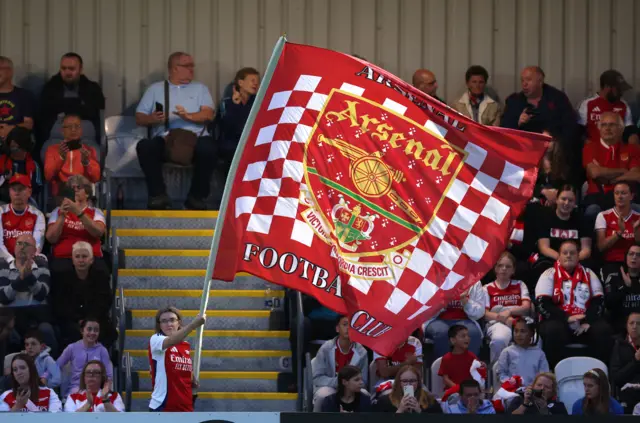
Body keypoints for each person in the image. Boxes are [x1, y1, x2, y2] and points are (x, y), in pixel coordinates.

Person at [135, 52, 215, 210]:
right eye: (187, 66)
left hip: (196, 138)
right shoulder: (155, 89)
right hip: (166, 138)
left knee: (209, 149)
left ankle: (196, 198)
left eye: (192, 66)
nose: (192, 69)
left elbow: (208, 114)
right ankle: (158, 195)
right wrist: (154, 118)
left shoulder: (200, 89)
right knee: (145, 147)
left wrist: (188, 116)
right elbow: (139, 117)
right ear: (174, 68)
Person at [535, 240, 611, 367]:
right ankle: (554, 373)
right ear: (559, 256)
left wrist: (588, 321)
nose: (568, 255)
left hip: (584, 320)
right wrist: (567, 318)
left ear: (578, 256)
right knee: (553, 331)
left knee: (603, 330)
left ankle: (599, 372)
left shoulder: (589, 273)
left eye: (572, 253)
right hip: (559, 320)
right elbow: (543, 304)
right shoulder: (549, 274)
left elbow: (599, 301)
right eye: (565, 253)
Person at [0, 233, 55, 356]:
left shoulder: (41, 265)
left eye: (26, 244)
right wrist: (20, 279)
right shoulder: (3, 266)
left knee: (46, 330)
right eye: (19, 243)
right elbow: (3, 297)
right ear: (14, 248)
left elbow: (42, 293)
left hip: (36, 317)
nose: (22, 247)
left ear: (35, 250)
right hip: (10, 318)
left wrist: (29, 277)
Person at [38, 52, 105, 153]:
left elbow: (95, 113)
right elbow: (44, 115)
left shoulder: (92, 89)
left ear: (80, 69)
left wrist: (63, 108)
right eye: (64, 68)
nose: (67, 72)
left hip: (86, 139)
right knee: (49, 155)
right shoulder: (50, 88)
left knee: (92, 155)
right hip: (57, 139)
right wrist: (79, 107)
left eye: (72, 69)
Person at [52, 241, 113, 348]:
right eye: (77, 256)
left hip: (96, 319)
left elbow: (104, 302)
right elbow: (60, 303)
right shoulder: (63, 277)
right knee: (69, 331)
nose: (81, 260)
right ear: (73, 259)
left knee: (107, 331)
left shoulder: (101, 276)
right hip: (71, 320)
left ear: (91, 260)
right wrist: (78, 319)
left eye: (84, 256)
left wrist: (88, 320)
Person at [583, 112, 640, 224]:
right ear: (599, 129)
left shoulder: (632, 149)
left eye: (612, 125)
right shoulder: (589, 148)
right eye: (604, 125)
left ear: (621, 129)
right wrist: (624, 171)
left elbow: (636, 175)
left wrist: (610, 180)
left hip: (626, 197)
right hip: (597, 197)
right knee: (592, 211)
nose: (607, 128)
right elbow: (595, 173)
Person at [46, 174, 106, 280]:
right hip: (63, 257)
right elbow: (51, 238)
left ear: (87, 193)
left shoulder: (96, 212)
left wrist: (78, 212)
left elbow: (98, 232)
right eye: (72, 188)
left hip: (90, 258)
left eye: (78, 187)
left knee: (100, 270)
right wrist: (62, 216)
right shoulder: (57, 211)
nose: (75, 190)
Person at [501, 66, 577, 148]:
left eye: (528, 80)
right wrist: (518, 123)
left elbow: (570, 127)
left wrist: (554, 140)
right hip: (523, 149)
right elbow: (504, 130)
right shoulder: (514, 101)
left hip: (553, 149)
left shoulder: (557, 98)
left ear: (540, 82)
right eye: (522, 80)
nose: (524, 84)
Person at [148, 306, 206, 412]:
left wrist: (191, 378)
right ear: (159, 325)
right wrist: (193, 325)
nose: (169, 324)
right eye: (164, 321)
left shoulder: (185, 345)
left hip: (185, 406)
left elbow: (180, 367)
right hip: (163, 406)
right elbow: (171, 341)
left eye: (172, 320)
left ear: (178, 323)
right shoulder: (156, 339)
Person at [483, 252, 532, 363]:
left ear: (513, 270)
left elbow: (526, 307)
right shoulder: (487, 288)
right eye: (500, 265)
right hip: (497, 323)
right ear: (495, 268)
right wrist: (504, 319)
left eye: (508, 266)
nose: (504, 269)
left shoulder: (520, 284)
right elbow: (485, 314)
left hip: (520, 321)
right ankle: (498, 373)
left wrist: (509, 311)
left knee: (534, 339)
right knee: (499, 339)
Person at [312, 315, 368, 410]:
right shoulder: (326, 348)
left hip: (352, 389)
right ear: (337, 328)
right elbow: (317, 378)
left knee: (365, 395)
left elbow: (364, 381)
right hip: (329, 386)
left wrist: (350, 385)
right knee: (322, 396)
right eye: (345, 324)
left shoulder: (362, 352)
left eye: (352, 326)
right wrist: (338, 383)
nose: (348, 328)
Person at [215, 67, 260, 179]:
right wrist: (235, 106)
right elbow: (228, 127)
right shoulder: (227, 102)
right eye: (252, 80)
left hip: (252, 142)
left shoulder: (258, 102)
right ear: (240, 82)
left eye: (257, 81)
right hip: (231, 143)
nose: (256, 84)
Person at [423, 280, 485, 358]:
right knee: (442, 333)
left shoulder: (474, 280)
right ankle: (443, 368)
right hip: (437, 320)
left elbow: (480, 313)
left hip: (466, 320)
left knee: (472, 333)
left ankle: (469, 367)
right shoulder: (431, 279)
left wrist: (465, 301)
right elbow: (424, 312)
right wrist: (443, 301)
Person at [595, 180, 640, 287]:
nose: (620, 196)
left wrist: (637, 231)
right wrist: (619, 232)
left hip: (635, 263)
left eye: (623, 193)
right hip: (612, 263)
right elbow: (601, 247)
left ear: (631, 196)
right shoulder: (603, 216)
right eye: (617, 193)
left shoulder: (638, 218)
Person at [43, 113, 101, 196]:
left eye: (77, 126)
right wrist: (61, 158)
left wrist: (87, 162)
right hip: (62, 194)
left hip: (82, 194)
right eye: (69, 127)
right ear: (62, 131)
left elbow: (96, 178)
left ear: (81, 130)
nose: (73, 130)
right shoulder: (52, 150)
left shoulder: (89, 150)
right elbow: (48, 176)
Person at [578, 69, 638, 145]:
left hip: (617, 151)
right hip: (593, 149)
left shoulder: (623, 105)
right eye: (618, 89)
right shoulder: (587, 104)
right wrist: (587, 143)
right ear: (607, 87)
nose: (621, 92)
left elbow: (629, 129)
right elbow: (579, 131)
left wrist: (633, 138)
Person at [56, 318, 113, 397]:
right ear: (82, 331)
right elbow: (56, 365)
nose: (92, 333)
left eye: (96, 330)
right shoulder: (72, 348)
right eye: (89, 329)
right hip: (76, 389)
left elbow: (109, 376)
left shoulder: (102, 350)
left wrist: (106, 390)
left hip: (97, 390)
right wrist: (44, 377)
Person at [0, 173, 45, 263]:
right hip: (5, 259)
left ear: (29, 192)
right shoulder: (1, 212)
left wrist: (24, 260)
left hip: (29, 259)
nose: (17, 193)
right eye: (13, 189)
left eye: (21, 189)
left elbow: (37, 244)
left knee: (42, 260)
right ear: (9, 192)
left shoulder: (38, 215)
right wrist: (11, 260)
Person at [496, 317, 549, 386]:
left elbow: (544, 375)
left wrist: (534, 387)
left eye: (523, 331)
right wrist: (512, 384)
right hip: (512, 391)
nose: (518, 335)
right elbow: (501, 373)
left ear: (531, 333)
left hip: (533, 392)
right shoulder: (507, 352)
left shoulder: (539, 354)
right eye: (516, 331)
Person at [373, 365, 442, 413]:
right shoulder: (385, 401)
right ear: (399, 382)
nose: (408, 384)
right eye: (405, 381)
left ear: (418, 382)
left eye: (412, 381)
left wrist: (419, 411)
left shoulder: (430, 400)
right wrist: (400, 410)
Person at [0, 127, 43, 202]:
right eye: (12, 147)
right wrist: (5, 178)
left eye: (16, 148)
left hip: (25, 201)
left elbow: (37, 187)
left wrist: (20, 183)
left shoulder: (33, 165)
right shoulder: (2, 161)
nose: (14, 151)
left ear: (25, 147)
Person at [0, 56, 35, 142]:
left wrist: (11, 128)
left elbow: (29, 124)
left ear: (10, 72)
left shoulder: (24, 95)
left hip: (15, 142)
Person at [610, 312, 640, 413]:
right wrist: (635, 361)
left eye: (638, 323)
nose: (635, 326)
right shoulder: (619, 345)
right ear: (626, 326)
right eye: (631, 323)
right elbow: (617, 378)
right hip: (627, 393)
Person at [606, 244, 640, 333]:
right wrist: (625, 287)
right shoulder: (614, 277)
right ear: (626, 257)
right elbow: (609, 303)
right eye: (631, 254)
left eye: (638, 255)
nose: (634, 257)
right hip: (619, 323)